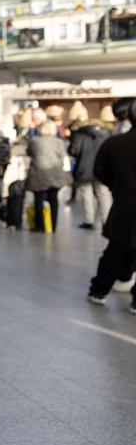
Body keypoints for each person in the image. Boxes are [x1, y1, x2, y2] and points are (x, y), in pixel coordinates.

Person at [87, 100, 136, 310]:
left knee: (115, 249)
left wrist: (118, 186)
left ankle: (99, 290)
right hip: (124, 204)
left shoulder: (114, 144)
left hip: (124, 205)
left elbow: (99, 171)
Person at [25, 121, 70, 233]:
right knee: (53, 199)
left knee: (38, 200)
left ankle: (40, 225)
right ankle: (53, 225)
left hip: (38, 173)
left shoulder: (35, 141)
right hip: (54, 173)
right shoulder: (58, 142)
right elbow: (63, 155)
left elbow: (29, 152)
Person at [69, 120, 112, 230]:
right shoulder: (106, 135)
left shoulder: (79, 135)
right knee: (104, 195)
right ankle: (106, 220)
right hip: (103, 169)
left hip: (84, 168)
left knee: (86, 195)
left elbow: (73, 150)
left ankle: (89, 220)